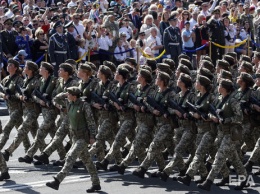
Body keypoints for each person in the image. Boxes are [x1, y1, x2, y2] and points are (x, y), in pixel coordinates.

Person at [46, 86, 101, 193]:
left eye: (69, 94)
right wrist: (65, 94)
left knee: (70, 156)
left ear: (75, 96)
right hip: (74, 137)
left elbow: (91, 122)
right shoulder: (69, 103)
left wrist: (92, 137)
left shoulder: (84, 105)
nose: (67, 95)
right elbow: (55, 99)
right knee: (87, 161)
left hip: (83, 137)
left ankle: (57, 180)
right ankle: (96, 183)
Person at [197, 79, 248, 191]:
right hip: (221, 133)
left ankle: (208, 182)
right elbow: (211, 111)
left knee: (219, 156)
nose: (217, 87)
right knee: (234, 158)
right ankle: (241, 178)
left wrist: (227, 120)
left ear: (224, 88)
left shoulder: (233, 101)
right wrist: (212, 117)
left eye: (219, 85)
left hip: (231, 133)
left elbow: (240, 118)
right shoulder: (219, 99)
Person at [2, 61, 40, 161]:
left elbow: (36, 96)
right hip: (24, 110)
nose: (24, 68)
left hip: (30, 110)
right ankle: (43, 153)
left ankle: (7, 152)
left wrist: (26, 98)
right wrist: (19, 96)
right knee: (36, 133)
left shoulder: (34, 81)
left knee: (19, 130)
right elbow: (19, 93)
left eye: (26, 67)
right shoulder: (25, 80)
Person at [0, 59, 24, 151]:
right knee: (21, 131)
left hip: (17, 108)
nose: (8, 66)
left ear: (15, 68)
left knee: (6, 128)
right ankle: (28, 151)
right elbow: (0, 91)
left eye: (11, 65)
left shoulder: (19, 79)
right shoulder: (5, 79)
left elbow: (21, 94)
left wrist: (12, 96)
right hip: (10, 108)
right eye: (8, 65)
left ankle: (3, 149)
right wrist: (3, 95)